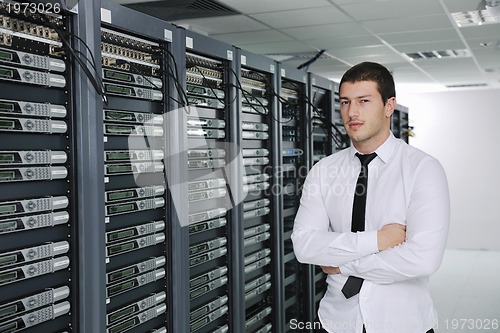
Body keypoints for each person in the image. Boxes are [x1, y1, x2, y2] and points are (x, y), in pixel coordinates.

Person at [291, 62, 450, 333]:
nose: (352, 112)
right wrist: (378, 240)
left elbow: (423, 258)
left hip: (403, 323)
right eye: (344, 102)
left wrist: (342, 265)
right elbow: (304, 245)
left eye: (364, 101)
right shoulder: (324, 171)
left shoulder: (423, 168)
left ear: (389, 106)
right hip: (335, 321)